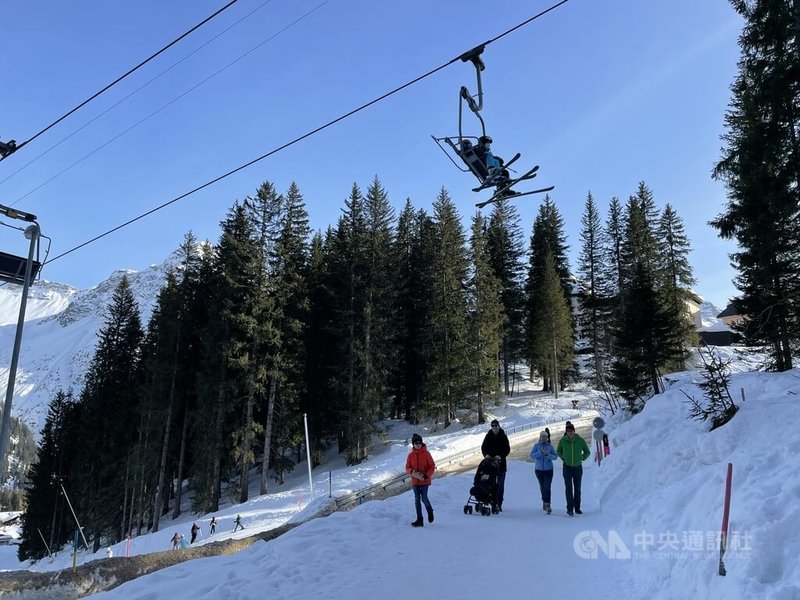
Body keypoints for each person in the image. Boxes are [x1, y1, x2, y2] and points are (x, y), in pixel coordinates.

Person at [556, 422, 591, 516]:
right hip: (567, 467)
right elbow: (558, 451)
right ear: (566, 432)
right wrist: (563, 457)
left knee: (577, 489)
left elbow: (587, 452)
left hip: (578, 468)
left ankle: (577, 507)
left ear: (574, 431)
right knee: (568, 489)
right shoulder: (563, 440)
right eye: (568, 431)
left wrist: (582, 458)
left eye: (571, 431)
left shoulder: (580, 440)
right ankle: (570, 509)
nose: (570, 433)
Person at [405, 433, 436, 527]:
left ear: (422, 443)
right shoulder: (410, 455)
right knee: (417, 499)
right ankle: (419, 519)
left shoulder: (426, 454)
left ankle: (430, 511)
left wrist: (427, 475)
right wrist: (411, 471)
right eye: (416, 443)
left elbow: (432, 466)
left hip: (425, 481)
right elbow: (407, 467)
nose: (418, 445)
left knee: (424, 498)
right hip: (415, 481)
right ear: (413, 444)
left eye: (419, 443)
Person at [481, 419, 511, 511]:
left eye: (496, 426)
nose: (494, 428)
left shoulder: (503, 436)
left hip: (501, 465)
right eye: (493, 426)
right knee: (490, 483)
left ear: (499, 426)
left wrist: (500, 456)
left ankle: (499, 503)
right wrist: (486, 455)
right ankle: (491, 501)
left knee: (500, 485)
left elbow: (507, 449)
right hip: (490, 464)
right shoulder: (488, 436)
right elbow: (483, 447)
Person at [530, 430, 559, 514]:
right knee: (542, 487)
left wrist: (547, 455)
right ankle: (544, 500)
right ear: (540, 437)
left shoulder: (550, 446)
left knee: (547, 487)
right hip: (538, 470)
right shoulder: (536, 446)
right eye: (542, 436)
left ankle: (547, 504)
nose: (543, 438)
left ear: (547, 438)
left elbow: (555, 457)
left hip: (548, 470)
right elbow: (532, 455)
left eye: (545, 437)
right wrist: (540, 452)